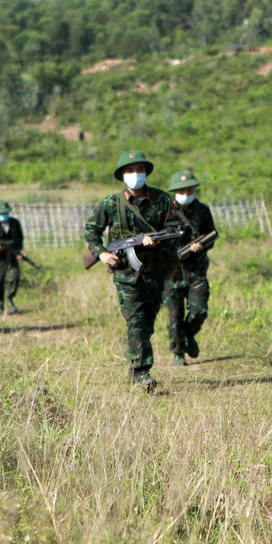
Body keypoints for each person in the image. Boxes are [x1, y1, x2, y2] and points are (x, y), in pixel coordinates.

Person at [84, 150, 178, 392]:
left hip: (155, 272)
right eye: (129, 170)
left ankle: (135, 361)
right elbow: (92, 231)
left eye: (139, 170)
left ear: (146, 172)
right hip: (126, 274)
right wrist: (102, 253)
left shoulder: (162, 200)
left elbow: (175, 228)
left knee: (147, 323)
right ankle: (142, 372)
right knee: (135, 322)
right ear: (122, 175)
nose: (135, 174)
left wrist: (155, 242)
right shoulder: (111, 203)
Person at [163, 170, 217, 366]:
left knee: (200, 310)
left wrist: (201, 246)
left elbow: (211, 235)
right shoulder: (164, 212)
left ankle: (189, 334)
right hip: (171, 274)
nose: (186, 192)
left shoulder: (202, 211)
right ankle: (178, 353)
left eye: (190, 189)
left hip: (196, 271)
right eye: (182, 189)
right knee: (174, 318)